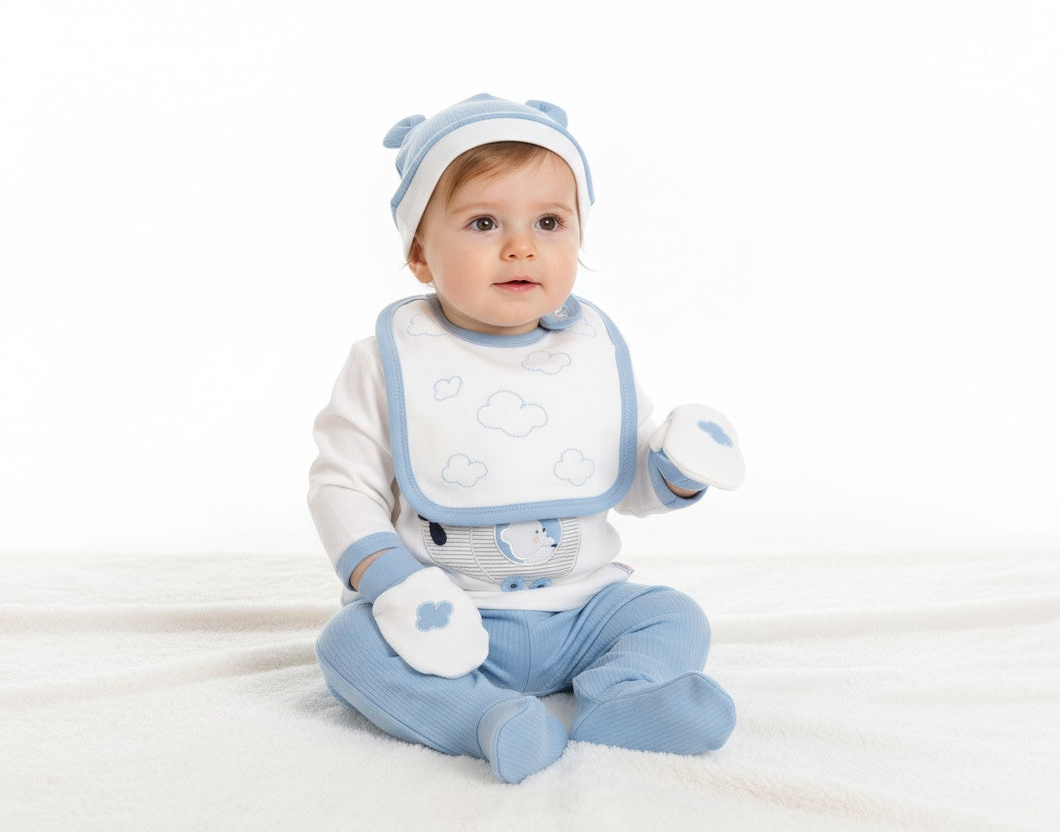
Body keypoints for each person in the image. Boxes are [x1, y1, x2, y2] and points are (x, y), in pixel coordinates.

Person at [309, 94, 745, 784]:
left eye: (549, 221)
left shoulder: (589, 353)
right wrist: (394, 583)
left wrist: (676, 468)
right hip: (445, 617)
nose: (522, 246)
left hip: (583, 613)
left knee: (673, 615)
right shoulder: (387, 361)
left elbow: (624, 477)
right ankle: (483, 721)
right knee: (349, 645)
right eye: (484, 222)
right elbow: (341, 487)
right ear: (420, 253)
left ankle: (622, 696)